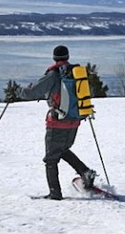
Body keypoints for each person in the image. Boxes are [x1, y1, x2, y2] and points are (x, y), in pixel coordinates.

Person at [18, 45, 96, 200]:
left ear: (54, 58)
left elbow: (34, 92)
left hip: (57, 122)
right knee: (62, 149)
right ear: (67, 57)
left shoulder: (54, 74)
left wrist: (18, 91)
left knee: (50, 159)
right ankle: (85, 172)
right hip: (75, 121)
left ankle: (55, 193)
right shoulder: (75, 73)